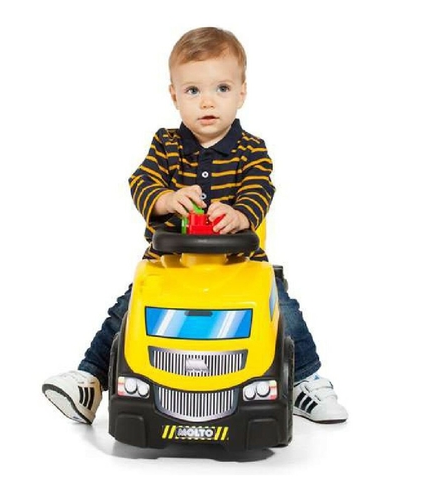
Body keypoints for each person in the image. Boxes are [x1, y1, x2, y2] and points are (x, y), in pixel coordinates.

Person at [42, 27, 348, 426]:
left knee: (284, 309)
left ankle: (305, 381)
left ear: (241, 93)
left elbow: (260, 188)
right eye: (192, 91)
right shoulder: (165, 145)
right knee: (126, 311)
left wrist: (241, 215)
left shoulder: (251, 149)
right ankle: (90, 380)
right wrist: (166, 199)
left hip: (241, 266)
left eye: (221, 88)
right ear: (174, 96)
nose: (207, 101)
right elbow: (141, 181)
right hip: (170, 266)